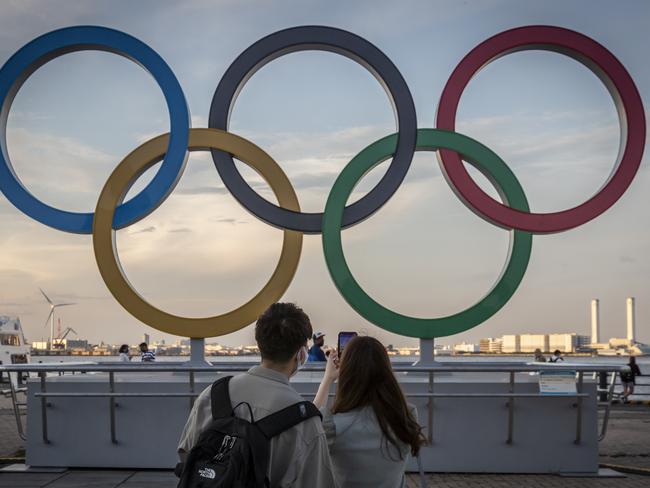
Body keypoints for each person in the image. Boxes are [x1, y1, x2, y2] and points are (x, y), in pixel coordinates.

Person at [177, 302, 337, 487]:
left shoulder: (213, 394)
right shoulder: (305, 423)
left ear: (260, 344)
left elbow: (186, 455)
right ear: (301, 354)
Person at [314, 336, 425, 488]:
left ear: (347, 373)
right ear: (387, 371)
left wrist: (328, 378)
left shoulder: (332, 425)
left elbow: (308, 429)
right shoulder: (406, 416)